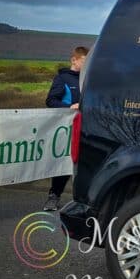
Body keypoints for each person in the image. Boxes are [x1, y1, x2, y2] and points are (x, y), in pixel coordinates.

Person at [43, 46, 87, 211]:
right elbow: (51, 101)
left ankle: (83, 201)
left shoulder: (88, 79)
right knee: (64, 163)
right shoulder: (63, 78)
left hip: (87, 128)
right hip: (67, 129)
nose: (86, 64)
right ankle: (53, 196)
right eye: (84, 61)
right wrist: (70, 106)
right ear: (74, 60)